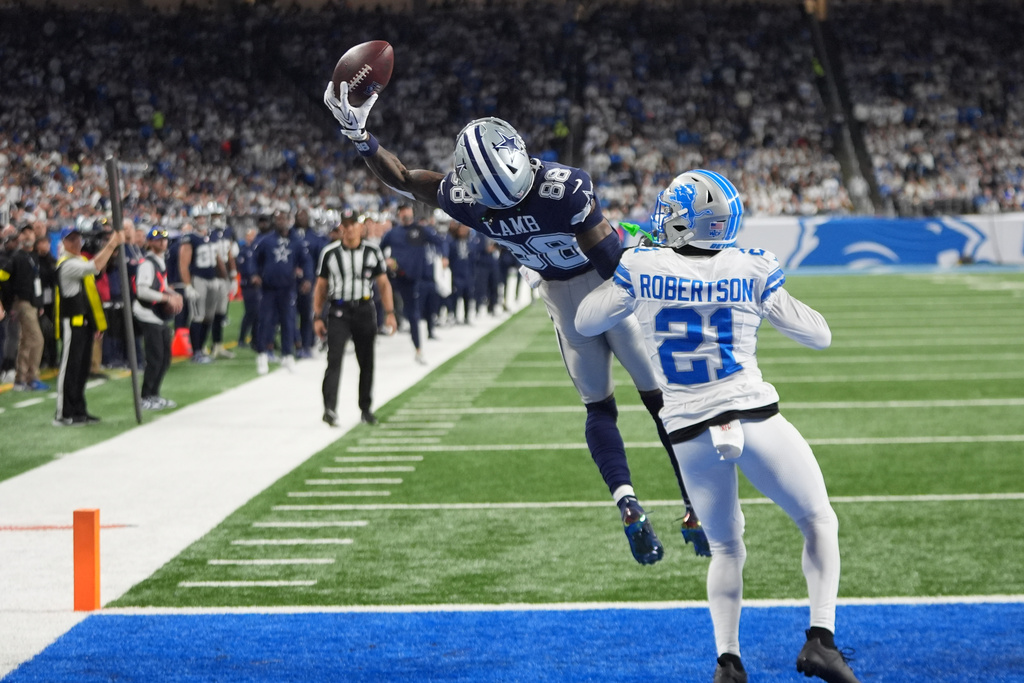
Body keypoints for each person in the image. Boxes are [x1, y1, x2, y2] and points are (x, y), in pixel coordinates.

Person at [324, 83, 710, 565]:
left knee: (599, 408)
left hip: (563, 301)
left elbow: (403, 177)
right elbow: (612, 264)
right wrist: (657, 264)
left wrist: (360, 135)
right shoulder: (565, 188)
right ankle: (695, 507)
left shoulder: (470, 201)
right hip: (604, 289)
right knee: (662, 404)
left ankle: (627, 502)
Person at [575, 170, 859, 683]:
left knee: (727, 546)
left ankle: (728, 661)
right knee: (818, 520)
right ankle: (821, 639)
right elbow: (819, 336)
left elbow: (586, 322)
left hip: (687, 429)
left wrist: (627, 274)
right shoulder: (751, 266)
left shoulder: (641, 265)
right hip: (751, 413)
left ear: (686, 221)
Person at [313, 211, 397, 427]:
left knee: (366, 361)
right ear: (341, 227)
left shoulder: (372, 251)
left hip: (363, 308)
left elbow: (383, 283)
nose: (349, 229)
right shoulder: (330, 253)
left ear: (361, 227)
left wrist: (390, 313)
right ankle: (329, 408)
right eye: (346, 225)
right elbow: (321, 287)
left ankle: (366, 409)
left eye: (353, 224)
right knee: (334, 359)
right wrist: (317, 316)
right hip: (339, 310)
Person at [53, 225, 123, 426]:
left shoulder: (78, 260)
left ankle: (78, 410)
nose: (76, 242)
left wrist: (95, 323)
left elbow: (91, 291)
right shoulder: (67, 264)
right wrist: (111, 244)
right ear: (64, 242)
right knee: (70, 369)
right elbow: (95, 267)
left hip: (84, 323)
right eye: (71, 239)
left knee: (82, 370)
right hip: (72, 324)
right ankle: (64, 413)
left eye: (77, 239)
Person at [380, 204, 447, 365]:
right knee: (379, 299)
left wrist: (444, 256)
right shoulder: (392, 233)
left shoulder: (421, 230)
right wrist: (386, 261)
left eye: (409, 211)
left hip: (413, 279)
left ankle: (418, 349)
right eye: (404, 212)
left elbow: (441, 242)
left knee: (414, 314)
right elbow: (378, 250)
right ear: (399, 214)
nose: (407, 215)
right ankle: (381, 327)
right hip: (395, 277)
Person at [252, 208, 311, 375]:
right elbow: (255, 258)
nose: (280, 221)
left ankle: (287, 354)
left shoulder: (296, 240)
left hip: (288, 287)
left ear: (289, 220)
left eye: (283, 218)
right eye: (278, 219)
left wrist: (307, 278)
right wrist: (255, 274)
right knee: (266, 321)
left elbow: (306, 261)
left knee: (288, 322)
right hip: (269, 288)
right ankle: (262, 354)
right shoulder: (266, 241)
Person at [133, 227, 184, 410]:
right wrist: (167, 298)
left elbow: (161, 286)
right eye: (157, 239)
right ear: (149, 242)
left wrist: (173, 294)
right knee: (155, 357)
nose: (162, 242)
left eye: (163, 239)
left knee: (165, 358)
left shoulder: (160, 262)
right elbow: (142, 290)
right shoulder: (147, 263)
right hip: (147, 313)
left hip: (157, 315)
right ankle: (146, 396)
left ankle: (154, 394)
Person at [0, 226, 47, 391]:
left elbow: (37, 281)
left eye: (30, 232)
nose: (27, 235)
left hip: (32, 303)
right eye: (24, 233)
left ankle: (21, 379)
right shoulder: (16, 257)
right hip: (23, 303)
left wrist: (39, 303)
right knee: (36, 339)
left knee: (26, 341)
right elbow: (2, 277)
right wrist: (10, 298)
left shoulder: (33, 256)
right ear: (19, 237)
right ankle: (32, 377)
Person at [178, 209, 225, 364]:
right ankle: (196, 352)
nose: (202, 220)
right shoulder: (190, 238)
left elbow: (218, 258)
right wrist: (187, 286)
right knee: (198, 316)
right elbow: (183, 264)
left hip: (213, 280)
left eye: (203, 217)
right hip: (198, 279)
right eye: (198, 217)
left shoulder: (212, 235)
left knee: (209, 317)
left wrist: (225, 277)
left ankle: (202, 348)